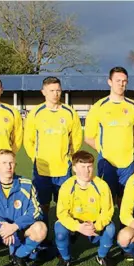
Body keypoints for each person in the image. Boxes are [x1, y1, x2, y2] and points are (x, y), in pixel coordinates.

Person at [24, 76, 82, 223]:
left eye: (58, 90)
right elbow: (28, 140)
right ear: (43, 92)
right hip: (42, 169)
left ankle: (64, 235)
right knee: (42, 204)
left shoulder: (69, 113)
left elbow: (76, 139)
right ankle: (43, 237)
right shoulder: (36, 113)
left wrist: (70, 158)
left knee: (65, 205)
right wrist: (36, 158)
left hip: (63, 168)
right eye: (51, 91)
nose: (55, 94)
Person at [84, 67, 134, 203]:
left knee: (126, 200)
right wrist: (104, 150)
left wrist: (126, 147)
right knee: (107, 199)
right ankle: (109, 224)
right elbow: (89, 137)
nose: (121, 84)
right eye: (118, 80)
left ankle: (124, 225)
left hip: (128, 162)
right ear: (109, 82)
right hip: (106, 161)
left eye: (124, 81)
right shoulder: (98, 107)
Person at [53, 151, 115, 266]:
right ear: (74, 168)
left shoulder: (101, 185)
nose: (87, 171)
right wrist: (77, 226)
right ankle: (65, 258)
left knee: (111, 229)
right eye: (82, 167)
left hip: (94, 224)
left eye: (89, 166)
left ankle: (102, 256)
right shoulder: (67, 186)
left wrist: (96, 225)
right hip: (75, 224)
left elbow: (107, 211)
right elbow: (62, 213)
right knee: (59, 230)